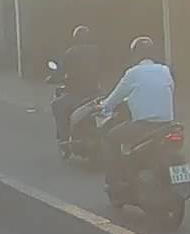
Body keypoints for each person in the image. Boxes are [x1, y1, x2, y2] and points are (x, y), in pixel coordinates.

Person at [99, 36, 175, 193]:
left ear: (135, 54)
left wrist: (104, 107)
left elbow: (115, 97)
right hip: (168, 124)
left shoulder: (132, 73)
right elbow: (170, 89)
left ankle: (114, 182)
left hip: (144, 126)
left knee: (111, 138)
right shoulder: (164, 70)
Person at [50, 25, 103, 142]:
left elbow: (62, 71)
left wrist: (53, 78)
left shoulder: (71, 52)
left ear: (75, 38)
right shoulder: (96, 51)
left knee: (56, 105)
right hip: (95, 91)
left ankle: (63, 138)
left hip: (76, 93)